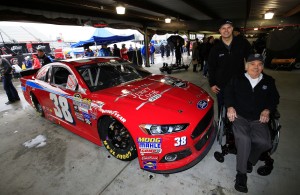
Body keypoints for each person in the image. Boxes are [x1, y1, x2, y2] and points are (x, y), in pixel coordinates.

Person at [224, 54, 280, 193]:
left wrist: (268, 110)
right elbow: (228, 93)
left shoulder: (269, 81)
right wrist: (230, 106)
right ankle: (241, 174)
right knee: (244, 139)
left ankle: (249, 160)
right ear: (246, 66)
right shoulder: (237, 79)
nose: (256, 67)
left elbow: (274, 98)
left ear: (263, 67)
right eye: (252, 64)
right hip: (240, 116)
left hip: (258, 119)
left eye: (259, 64)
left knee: (265, 143)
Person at [208, 19, 252, 114]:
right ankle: (224, 126)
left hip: (239, 82)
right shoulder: (215, 48)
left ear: (232, 29)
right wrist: (212, 83)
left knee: (240, 106)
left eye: (228, 27)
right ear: (220, 31)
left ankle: (238, 126)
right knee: (222, 107)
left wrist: (252, 75)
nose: (226, 30)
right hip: (221, 85)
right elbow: (211, 67)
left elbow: (251, 59)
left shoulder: (242, 43)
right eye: (223, 28)